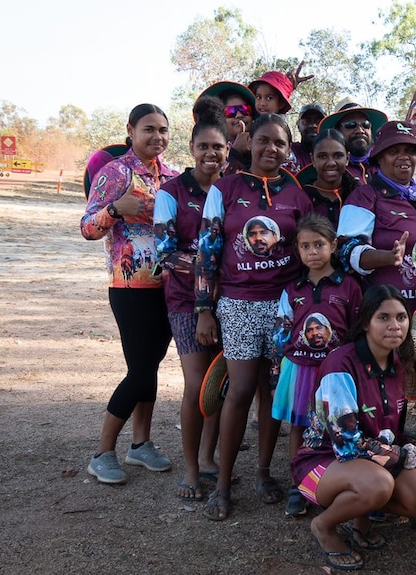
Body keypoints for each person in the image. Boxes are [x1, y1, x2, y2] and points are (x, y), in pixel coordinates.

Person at [195, 112, 313, 520]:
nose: (271, 149)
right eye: (263, 141)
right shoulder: (225, 189)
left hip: (284, 305)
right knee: (242, 389)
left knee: (273, 394)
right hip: (238, 303)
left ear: (287, 148)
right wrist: (204, 308)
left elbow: (307, 250)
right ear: (248, 143)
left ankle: (264, 474)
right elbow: (207, 250)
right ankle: (223, 486)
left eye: (280, 143)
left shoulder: (297, 194)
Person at [290, 285, 416, 571]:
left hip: (371, 459)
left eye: (401, 317)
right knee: (380, 484)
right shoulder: (341, 364)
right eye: (383, 318)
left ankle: (361, 517)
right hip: (322, 462)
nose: (394, 326)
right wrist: (409, 457)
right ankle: (323, 526)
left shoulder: (398, 363)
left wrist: (414, 451)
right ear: (366, 323)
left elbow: (389, 430)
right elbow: (346, 443)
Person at [81, 103, 178, 484]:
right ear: (131, 131)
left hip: (169, 287)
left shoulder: (171, 178)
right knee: (139, 371)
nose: (157, 137)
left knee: (149, 368)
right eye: (149, 129)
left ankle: (141, 445)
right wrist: (115, 210)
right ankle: (103, 452)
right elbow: (88, 227)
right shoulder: (116, 172)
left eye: (163, 130)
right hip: (130, 287)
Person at [153, 96, 229, 499]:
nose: (211, 154)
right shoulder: (172, 192)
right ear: (192, 149)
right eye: (203, 147)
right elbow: (165, 252)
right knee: (197, 383)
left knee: (220, 383)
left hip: (228, 301)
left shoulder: (234, 188)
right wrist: (210, 268)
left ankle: (208, 459)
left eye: (218, 147)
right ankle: (189, 469)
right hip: (185, 301)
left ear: (227, 150)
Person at [271, 214, 362, 516]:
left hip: (336, 373)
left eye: (319, 244)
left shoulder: (349, 286)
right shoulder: (292, 289)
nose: (312, 252)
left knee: (336, 425)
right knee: (301, 424)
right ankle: (299, 485)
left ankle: (336, 483)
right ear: (297, 250)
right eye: (305, 246)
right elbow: (282, 327)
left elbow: (357, 327)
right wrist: (286, 352)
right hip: (301, 370)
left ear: (334, 245)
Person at [337, 121, 416, 309]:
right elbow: (346, 250)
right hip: (387, 316)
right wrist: (387, 257)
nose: (403, 158)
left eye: (409, 151)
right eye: (394, 151)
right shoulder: (365, 196)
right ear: (379, 158)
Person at [296, 129, 359, 228]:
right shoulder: (301, 197)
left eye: (338, 156)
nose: (331, 163)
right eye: (322, 156)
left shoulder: (358, 195)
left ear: (347, 158)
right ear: (312, 159)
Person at [318, 99, 389, 184]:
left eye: (365, 124)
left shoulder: (387, 163)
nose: (360, 130)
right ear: (337, 132)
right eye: (350, 125)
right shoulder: (329, 171)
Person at [198, 81, 257, 174]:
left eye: (245, 110)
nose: (239, 115)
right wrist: (236, 152)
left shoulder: (263, 146)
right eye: (231, 112)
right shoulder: (212, 151)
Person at [290, 103, 328, 170]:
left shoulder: (334, 156)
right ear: (298, 125)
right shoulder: (290, 150)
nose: (313, 125)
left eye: (318, 121)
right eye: (306, 121)